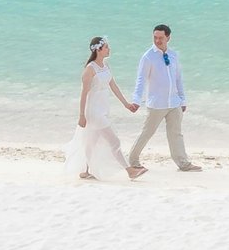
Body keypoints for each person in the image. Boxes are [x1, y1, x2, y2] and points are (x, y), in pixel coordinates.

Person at [66, 37, 145, 180]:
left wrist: (126, 104)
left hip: (103, 110)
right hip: (94, 112)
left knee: (91, 142)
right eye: (107, 47)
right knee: (114, 142)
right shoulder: (90, 69)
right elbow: (83, 94)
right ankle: (130, 171)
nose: (109, 49)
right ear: (98, 49)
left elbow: (113, 86)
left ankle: (86, 171)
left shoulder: (105, 66)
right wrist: (81, 116)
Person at [130, 23, 200, 172]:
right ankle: (133, 160)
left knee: (176, 134)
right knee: (147, 132)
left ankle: (183, 163)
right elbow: (140, 80)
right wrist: (136, 100)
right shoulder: (148, 57)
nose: (157, 41)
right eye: (155, 37)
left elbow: (178, 79)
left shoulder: (174, 55)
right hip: (156, 104)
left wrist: (183, 99)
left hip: (174, 102)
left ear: (168, 37)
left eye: (161, 38)